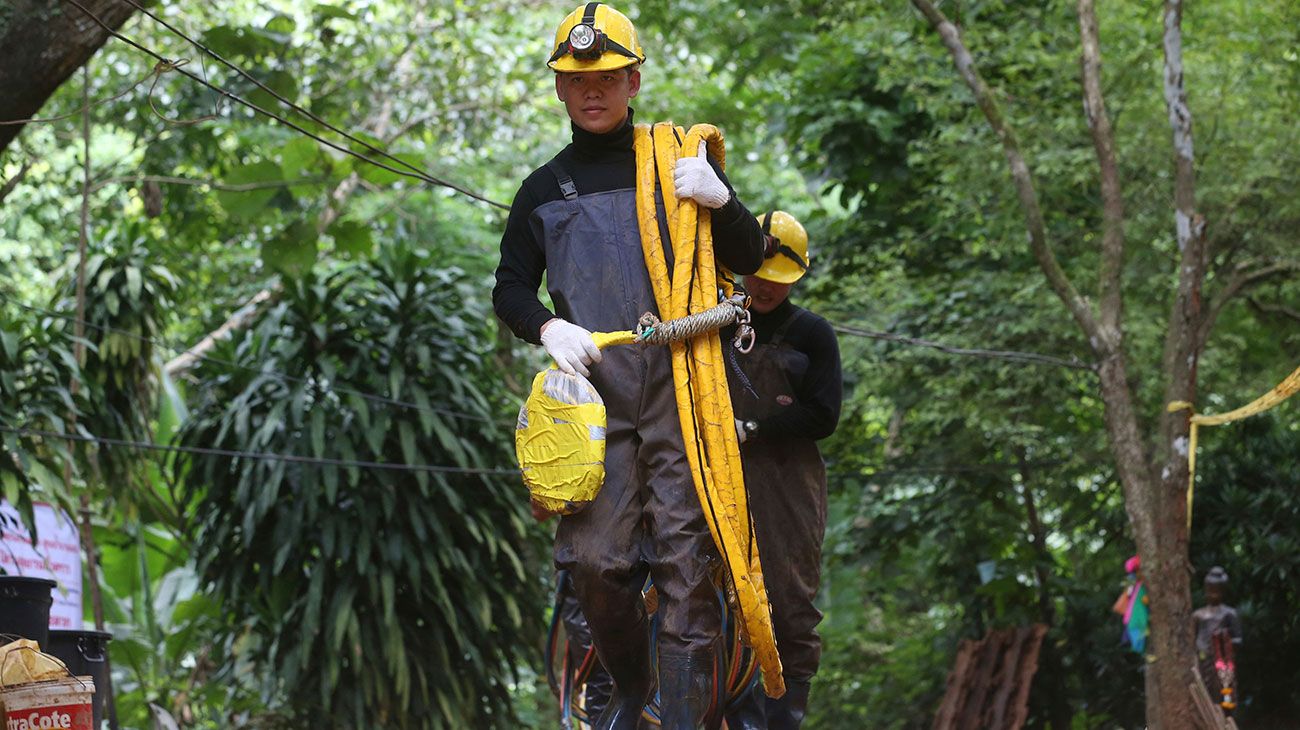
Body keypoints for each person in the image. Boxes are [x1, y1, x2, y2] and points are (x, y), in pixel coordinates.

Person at [492, 4, 767, 728]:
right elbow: (510, 288)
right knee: (594, 566)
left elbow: (749, 261)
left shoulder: (676, 164)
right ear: (558, 87)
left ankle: (680, 720)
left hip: (683, 391)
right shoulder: (543, 190)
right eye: (578, 78)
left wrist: (723, 199)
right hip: (595, 406)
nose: (594, 90)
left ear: (634, 78)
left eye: (609, 76)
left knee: (686, 568)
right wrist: (547, 326)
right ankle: (632, 691)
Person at [722, 211, 842, 729]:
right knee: (715, 595)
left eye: (777, 279)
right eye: (756, 274)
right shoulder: (718, 323)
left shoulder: (812, 334)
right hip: (718, 479)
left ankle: (782, 715)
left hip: (788, 485)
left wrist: (754, 429)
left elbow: (824, 414)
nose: (763, 287)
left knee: (788, 597)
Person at [1192, 566, 1242, 715]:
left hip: (1223, 664)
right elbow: (1190, 640)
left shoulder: (1229, 614)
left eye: (1216, 590)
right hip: (1202, 662)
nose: (1213, 594)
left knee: (1225, 694)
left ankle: (1225, 720)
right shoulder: (1198, 615)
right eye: (1210, 590)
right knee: (1204, 693)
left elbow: (1238, 639)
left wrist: (1224, 639)